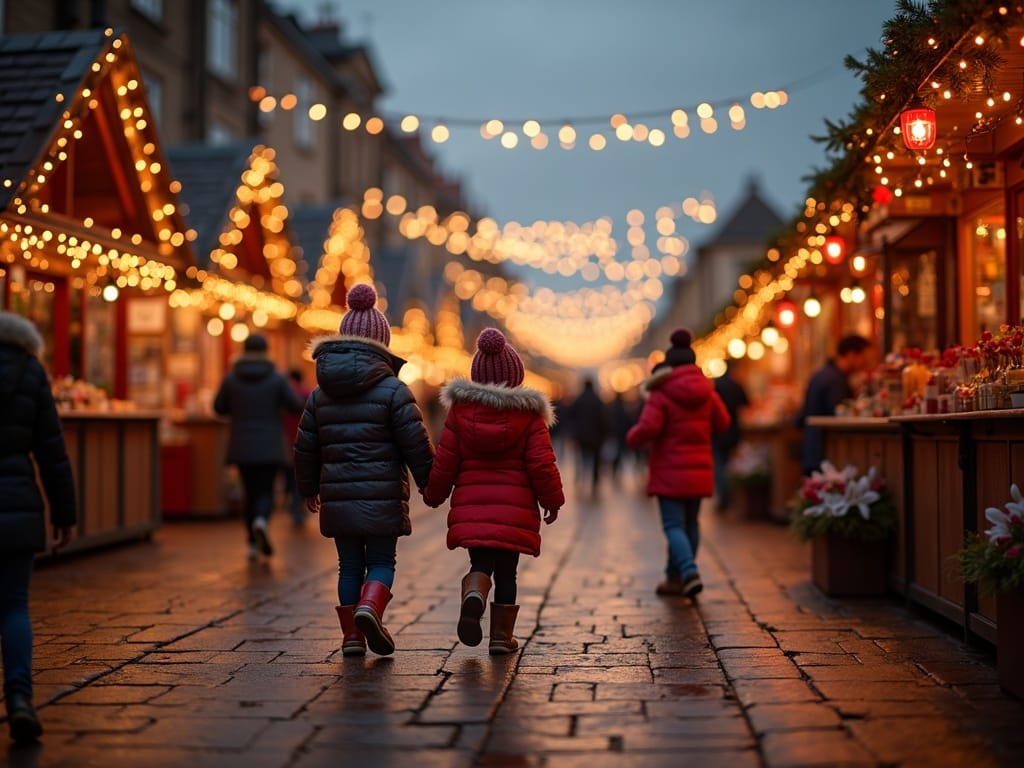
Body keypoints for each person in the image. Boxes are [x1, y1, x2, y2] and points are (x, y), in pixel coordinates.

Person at [293, 284, 434, 657]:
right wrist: (430, 484)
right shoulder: (393, 390)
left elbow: (306, 444)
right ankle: (370, 609)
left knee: (349, 565)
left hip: (337, 494)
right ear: (383, 345)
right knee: (382, 562)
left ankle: (352, 637)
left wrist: (308, 487)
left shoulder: (319, 394)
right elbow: (415, 443)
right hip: (382, 494)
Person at [423, 329, 563, 654]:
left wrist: (433, 493)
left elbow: (445, 459)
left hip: (473, 508)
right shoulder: (528, 416)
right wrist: (552, 501)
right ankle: (501, 637)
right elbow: (542, 464)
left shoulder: (460, 412)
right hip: (515, 509)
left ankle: (474, 590)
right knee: (508, 573)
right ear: (516, 376)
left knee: (481, 562)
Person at [0, 311, 77, 744]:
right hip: (17, 503)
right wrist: (65, 514)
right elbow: (52, 450)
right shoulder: (30, 371)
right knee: (13, 605)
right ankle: (19, 699)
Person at [627, 328, 729, 598]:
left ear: (670, 364)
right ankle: (674, 579)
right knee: (691, 524)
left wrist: (632, 438)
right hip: (699, 470)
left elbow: (648, 428)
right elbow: (723, 422)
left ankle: (688, 570)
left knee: (673, 526)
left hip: (670, 470)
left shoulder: (661, 393)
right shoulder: (708, 391)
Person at [214, 333, 304, 560]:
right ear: (266, 351)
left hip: (242, 444)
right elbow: (295, 405)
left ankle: (252, 543)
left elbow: (219, 407)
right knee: (265, 490)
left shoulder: (231, 378)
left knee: (249, 491)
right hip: (270, 444)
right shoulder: (276, 378)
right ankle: (261, 521)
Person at [797, 334, 871, 476]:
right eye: (863, 357)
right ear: (851, 355)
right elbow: (840, 414)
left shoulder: (823, 374)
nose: (865, 362)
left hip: (813, 449)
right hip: (826, 453)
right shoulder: (835, 381)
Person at [711, 362, 750, 511]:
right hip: (733, 430)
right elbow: (747, 403)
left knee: (719, 464)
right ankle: (732, 496)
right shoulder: (736, 385)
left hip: (717, 431)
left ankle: (724, 497)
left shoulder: (716, 386)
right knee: (732, 463)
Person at [282, 368, 313, 527]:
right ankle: (298, 506)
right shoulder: (308, 394)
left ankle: (292, 505)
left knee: (289, 476)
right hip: (304, 440)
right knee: (301, 475)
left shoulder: (283, 395)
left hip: (285, 440)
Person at [568, 377, 607, 495]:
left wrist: (573, 435)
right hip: (596, 436)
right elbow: (603, 419)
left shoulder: (579, 399)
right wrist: (605, 434)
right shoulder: (598, 400)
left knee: (580, 459)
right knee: (596, 460)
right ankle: (595, 483)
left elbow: (572, 418)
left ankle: (579, 480)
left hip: (581, 436)